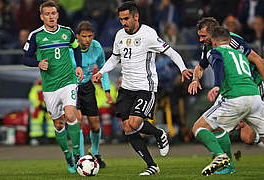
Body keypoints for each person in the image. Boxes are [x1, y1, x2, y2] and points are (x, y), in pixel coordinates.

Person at [189, 26, 264, 179]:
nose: (202, 40)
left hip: (234, 97)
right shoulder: (241, 54)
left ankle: (220, 156)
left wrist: (217, 85)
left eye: (204, 37)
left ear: (213, 41)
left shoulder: (215, 51)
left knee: (198, 128)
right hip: (254, 97)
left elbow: (218, 63)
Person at [92, 1, 193, 176]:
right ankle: (152, 166)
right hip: (126, 88)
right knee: (127, 128)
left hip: (145, 87)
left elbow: (171, 52)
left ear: (136, 17)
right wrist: (101, 72)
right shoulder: (119, 35)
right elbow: (115, 58)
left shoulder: (148, 35)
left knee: (134, 123)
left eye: (126, 19)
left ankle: (159, 133)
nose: (123, 23)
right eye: (121, 19)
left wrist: (183, 68)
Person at [22, 0, 84, 174]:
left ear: (58, 15)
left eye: (53, 13)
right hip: (50, 86)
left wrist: (78, 66)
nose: (51, 16)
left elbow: (76, 48)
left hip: (68, 81)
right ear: (42, 17)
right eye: (47, 14)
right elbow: (25, 58)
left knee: (71, 114)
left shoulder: (67, 32)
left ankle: (78, 154)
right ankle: (68, 156)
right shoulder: (36, 36)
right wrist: (38, 63)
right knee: (58, 124)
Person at [70, 20, 113, 168]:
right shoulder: (70, 49)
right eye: (84, 36)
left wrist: (107, 90)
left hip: (87, 87)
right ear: (77, 36)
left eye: (90, 36)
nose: (87, 40)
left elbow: (103, 68)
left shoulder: (97, 47)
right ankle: (81, 158)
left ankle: (95, 152)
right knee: (79, 121)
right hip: (72, 87)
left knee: (95, 126)